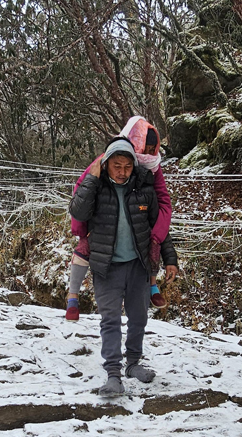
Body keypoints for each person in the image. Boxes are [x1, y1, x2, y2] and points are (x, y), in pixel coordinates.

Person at [70, 137, 178, 397]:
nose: (122, 171)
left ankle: (133, 363)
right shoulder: (97, 188)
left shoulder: (144, 190)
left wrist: (170, 259)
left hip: (138, 266)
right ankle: (113, 374)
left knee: (139, 317)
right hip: (106, 267)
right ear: (106, 164)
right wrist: (92, 179)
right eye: (116, 165)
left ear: (134, 166)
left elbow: (158, 229)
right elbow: (78, 211)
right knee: (110, 320)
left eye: (127, 166)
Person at [66, 116, 172, 321]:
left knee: (148, 242)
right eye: (145, 147)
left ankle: (152, 285)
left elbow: (163, 201)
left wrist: (157, 233)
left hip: (138, 222)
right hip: (103, 225)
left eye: (153, 149)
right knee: (84, 249)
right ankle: (73, 295)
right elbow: (82, 189)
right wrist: (80, 230)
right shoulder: (109, 160)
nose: (149, 154)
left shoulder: (152, 167)